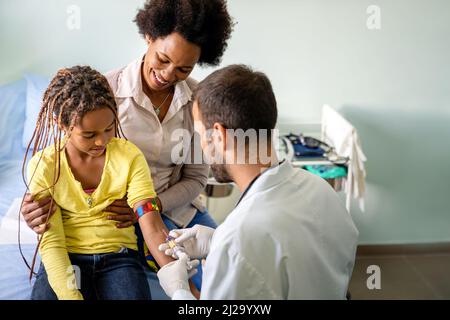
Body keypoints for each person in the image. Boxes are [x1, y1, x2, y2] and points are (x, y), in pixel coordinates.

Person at [20, 0, 233, 297]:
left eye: (183, 68)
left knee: (226, 270)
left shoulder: (198, 103)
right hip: (117, 214)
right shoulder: (102, 93)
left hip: (167, 208)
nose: (169, 74)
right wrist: (34, 206)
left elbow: (195, 178)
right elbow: (58, 167)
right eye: (163, 59)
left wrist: (149, 206)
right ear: (149, 36)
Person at [156, 65, 360, 299]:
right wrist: (216, 241)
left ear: (220, 136)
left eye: (201, 135)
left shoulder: (239, 239)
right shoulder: (322, 191)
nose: (200, 147)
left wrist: (179, 291)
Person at [25, 66, 182, 300]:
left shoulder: (129, 157)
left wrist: (179, 287)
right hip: (68, 257)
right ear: (61, 124)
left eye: (109, 128)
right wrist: (72, 296)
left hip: (118, 258)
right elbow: (52, 242)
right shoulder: (45, 167)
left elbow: (151, 222)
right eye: (89, 134)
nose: (102, 141)